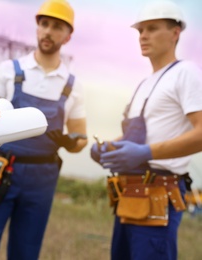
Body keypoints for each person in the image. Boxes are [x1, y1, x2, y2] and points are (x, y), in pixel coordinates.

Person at [0, 0, 88, 259]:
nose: (48, 31)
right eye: (44, 24)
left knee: (26, 251)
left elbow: (81, 137)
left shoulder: (72, 85)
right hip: (0, 167)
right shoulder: (9, 71)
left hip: (43, 178)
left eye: (56, 26)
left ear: (68, 35)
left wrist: (70, 141)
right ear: (37, 27)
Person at [90, 1, 202, 259]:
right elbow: (134, 138)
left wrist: (146, 152)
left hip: (159, 193)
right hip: (129, 195)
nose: (143, 36)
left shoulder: (187, 73)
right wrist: (107, 148)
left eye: (152, 28)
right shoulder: (144, 83)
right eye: (140, 30)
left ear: (175, 33)